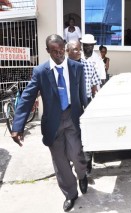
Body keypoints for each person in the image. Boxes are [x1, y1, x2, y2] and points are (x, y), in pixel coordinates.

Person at [10, 34, 88, 212]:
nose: (59, 54)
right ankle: (70, 194)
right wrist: (17, 126)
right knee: (60, 162)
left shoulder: (77, 67)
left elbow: (83, 96)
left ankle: (82, 175)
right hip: (53, 123)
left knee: (76, 154)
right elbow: (27, 98)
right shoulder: (40, 71)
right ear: (48, 51)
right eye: (55, 51)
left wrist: (88, 117)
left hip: (73, 117)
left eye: (62, 50)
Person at [80, 34, 106, 173]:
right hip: (78, 99)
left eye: (90, 45)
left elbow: (102, 80)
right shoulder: (78, 57)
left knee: (89, 129)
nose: (88, 47)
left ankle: (88, 160)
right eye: (86, 45)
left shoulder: (97, 60)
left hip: (92, 99)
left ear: (93, 46)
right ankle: (81, 158)